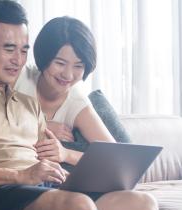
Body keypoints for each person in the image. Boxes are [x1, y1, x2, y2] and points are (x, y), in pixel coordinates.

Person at [0, 1, 163, 210]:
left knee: (140, 203)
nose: (17, 59)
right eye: (9, 49)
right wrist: (20, 175)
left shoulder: (28, 104)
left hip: (37, 191)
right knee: (77, 204)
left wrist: (63, 175)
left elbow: (47, 161)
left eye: (23, 50)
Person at [15, 16, 114, 166]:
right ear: (43, 57)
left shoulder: (77, 103)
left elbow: (113, 157)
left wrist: (67, 154)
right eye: (60, 63)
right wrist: (42, 126)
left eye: (78, 66)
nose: (68, 74)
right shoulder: (19, 77)